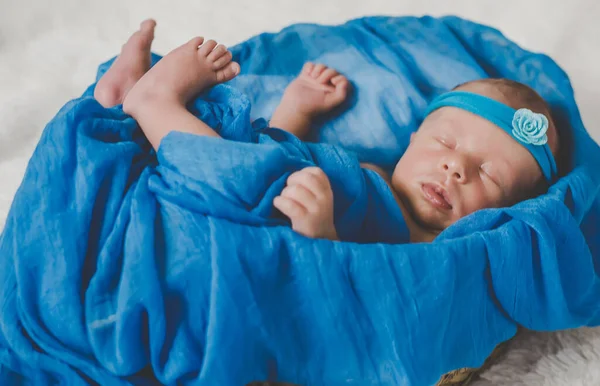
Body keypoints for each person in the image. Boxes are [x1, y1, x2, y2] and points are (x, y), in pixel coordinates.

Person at [95, 20, 560, 243]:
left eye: (489, 176)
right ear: (415, 137)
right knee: (242, 161)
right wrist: (299, 108)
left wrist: (321, 233)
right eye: (445, 142)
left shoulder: (431, 244)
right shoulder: (369, 169)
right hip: (254, 171)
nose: (455, 167)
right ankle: (126, 106)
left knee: (238, 181)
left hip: (266, 226)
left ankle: (150, 105)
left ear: (505, 212)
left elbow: (370, 282)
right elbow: (280, 150)